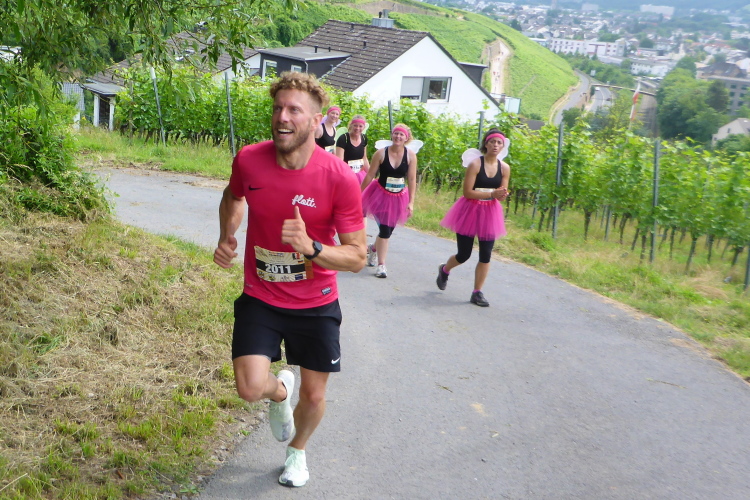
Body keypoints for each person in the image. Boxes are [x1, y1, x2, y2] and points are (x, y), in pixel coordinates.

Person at [213, 72, 366, 488]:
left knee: (314, 396)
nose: (282, 117)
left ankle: (297, 451)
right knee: (249, 388)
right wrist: (227, 235)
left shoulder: (338, 177)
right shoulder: (249, 159)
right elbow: (233, 196)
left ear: (316, 121)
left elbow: (357, 255)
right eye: (278, 108)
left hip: (315, 302)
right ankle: (280, 392)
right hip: (261, 294)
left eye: (294, 110)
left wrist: (312, 248)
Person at [435, 128, 510, 307]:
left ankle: (477, 292)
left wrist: (502, 195)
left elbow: (501, 193)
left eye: (499, 143)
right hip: (469, 210)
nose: (495, 145)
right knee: (464, 254)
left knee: (486, 254)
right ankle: (445, 269)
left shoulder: (505, 168)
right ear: (486, 144)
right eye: (492, 142)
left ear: (503, 146)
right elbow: (467, 192)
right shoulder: (476, 164)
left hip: (490, 213)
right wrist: (492, 194)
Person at [360, 123, 418, 278]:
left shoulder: (410, 155)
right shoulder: (381, 153)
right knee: (385, 231)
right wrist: (359, 192)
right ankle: (381, 265)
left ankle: (373, 249)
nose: (398, 137)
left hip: (399, 197)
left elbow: (412, 179)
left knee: (387, 231)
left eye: (401, 134)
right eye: (396, 133)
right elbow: (370, 175)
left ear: (406, 138)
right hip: (380, 195)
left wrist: (411, 202)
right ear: (392, 135)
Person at [335, 114, 370, 184]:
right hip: (346, 174)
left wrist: (370, 175)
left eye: (360, 126)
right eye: (355, 125)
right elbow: (339, 161)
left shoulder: (364, 138)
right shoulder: (343, 138)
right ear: (351, 125)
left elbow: (364, 158)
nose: (357, 128)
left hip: (360, 174)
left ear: (364, 127)